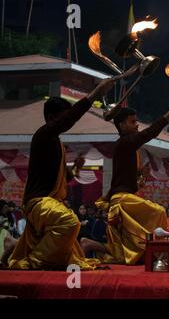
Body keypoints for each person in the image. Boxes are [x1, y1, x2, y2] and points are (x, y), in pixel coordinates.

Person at [4, 78, 115, 270]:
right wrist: (96, 93)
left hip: (50, 202)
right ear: (51, 118)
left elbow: (63, 180)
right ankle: (32, 261)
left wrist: (75, 170)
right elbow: (70, 118)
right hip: (38, 202)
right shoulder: (44, 134)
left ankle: (13, 245)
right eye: (62, 118)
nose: (66, 122)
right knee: (69, 222)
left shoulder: (56, 142)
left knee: (66, 234)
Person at [82, 97, 169, 265]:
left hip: (121, 198)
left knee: (123, 251)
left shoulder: (125, 146)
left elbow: (120, 179)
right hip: (123, 200)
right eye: (133, 122)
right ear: (122, 126)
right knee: (159, 211)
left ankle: (88, 244)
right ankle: (161, 254)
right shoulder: (126, 142)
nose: (137, 125)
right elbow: (151, 132)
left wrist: (139, 175)